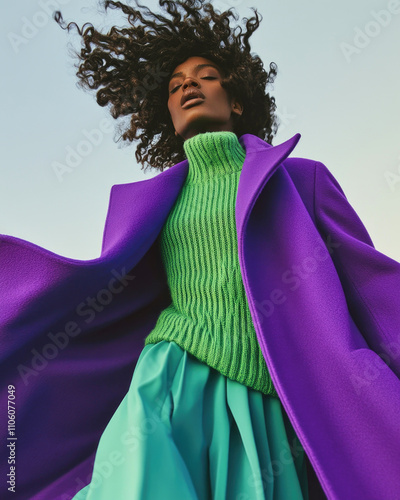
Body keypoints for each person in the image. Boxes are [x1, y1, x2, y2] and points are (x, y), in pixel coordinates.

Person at [1, 1, 400, 499]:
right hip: (170, 372)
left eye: (205, 76)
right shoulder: (147, 206)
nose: (188, 85)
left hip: (268, 397)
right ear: (166, 115)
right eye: (175, 86)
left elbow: (373, 288)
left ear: (235, 101)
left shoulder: (301, 181)